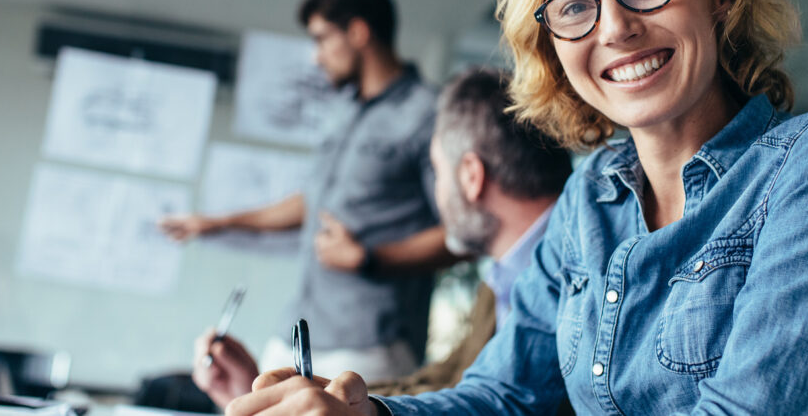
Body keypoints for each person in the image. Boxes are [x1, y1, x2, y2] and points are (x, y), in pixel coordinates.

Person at [225, 0, 808, 415]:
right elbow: (507, 396)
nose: (615, 27)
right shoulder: (591, 197)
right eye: (575, 7)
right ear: (554, 46)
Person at [191, 68, 575, 409]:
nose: (436, 199)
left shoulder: (572, 276)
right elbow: (446, 386)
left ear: (471, 177)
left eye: (438, 172)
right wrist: (275, 398)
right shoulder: (501, 284)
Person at [159, 0, 458, 380]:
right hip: (296, 331)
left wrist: (369, 259)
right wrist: (218, 222)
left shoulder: (429, 114)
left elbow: (463, 234)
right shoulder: (343, 111)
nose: (316, 57)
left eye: (321, 39)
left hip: (369, 346)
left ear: (358, 32)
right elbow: (314, 200)